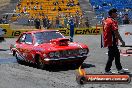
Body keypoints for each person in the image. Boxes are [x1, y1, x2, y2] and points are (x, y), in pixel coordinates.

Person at [102, 8, 128, 74]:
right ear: (112, 13)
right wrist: (122, 41)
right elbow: (116, 32)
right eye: (116, 13)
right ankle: (107, 70)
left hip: (109, 40)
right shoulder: (112, 21)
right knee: (112, 56)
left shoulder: (106, 20)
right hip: (112, 41)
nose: (117, 14)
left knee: (116, 55)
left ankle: (119, 69)